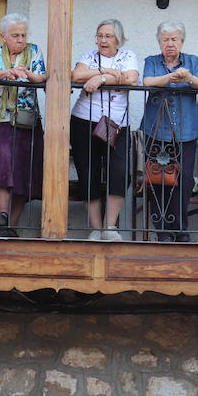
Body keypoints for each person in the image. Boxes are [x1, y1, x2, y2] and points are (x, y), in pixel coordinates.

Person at [0, 13, 46, 237]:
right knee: (3, 166)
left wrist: (27, 74)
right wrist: (6, 72)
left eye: (23, 35)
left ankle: (8, 226)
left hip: (27, 122)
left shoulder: (34, 50)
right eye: (15, 35)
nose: (20, 39)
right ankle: (2, 214)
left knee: (24, 174)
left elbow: (42, 77)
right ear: (4, 36)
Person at [141, 21, 198, 242]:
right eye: (165, 40)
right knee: (156, 180)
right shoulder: (151, 61)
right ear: (159, 42)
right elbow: (147, 81)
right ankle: (162, 231)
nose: (169, 44)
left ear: (181, 41)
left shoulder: (193, 61)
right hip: (156, 130)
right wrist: (170, 78)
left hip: (186, 131)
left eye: (174, 39)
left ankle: (179, 230)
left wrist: (189, 78)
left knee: (185, 180)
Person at [69, 19, 139, 241]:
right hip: (83, 120)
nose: (103, 40)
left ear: (118, 38)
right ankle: (96, 229)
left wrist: (99, 78)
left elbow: (131, 78)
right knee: (87, 171)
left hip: (117, 123)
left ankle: (110, 227)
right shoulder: (89, 56)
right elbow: (76, 75)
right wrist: (105, 71)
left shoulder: (127, 56)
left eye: (108, 36)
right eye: (100, 35)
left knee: (119, 172)